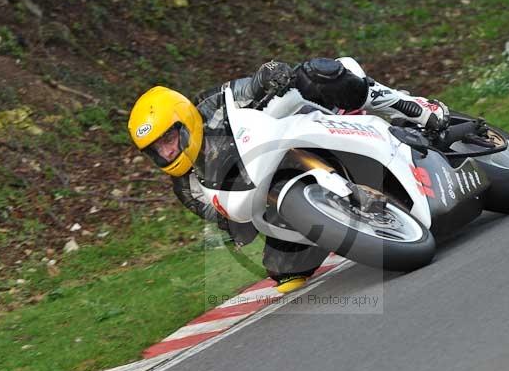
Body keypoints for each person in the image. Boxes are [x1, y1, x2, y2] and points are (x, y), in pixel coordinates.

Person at [127, 57, 450, 293]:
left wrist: (271, 74)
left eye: (168, 139)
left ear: (184, 120)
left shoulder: (215, 104)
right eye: (157, 149)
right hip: (277, 195)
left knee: (318, 72)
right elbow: (230, 223)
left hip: (306, 130)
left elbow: (254, 83)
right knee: (284, 274)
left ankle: (411, 107)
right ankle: (347, 217)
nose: (167, 152)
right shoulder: (186, 187)